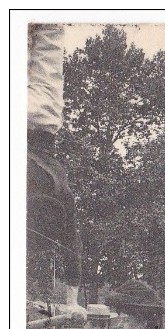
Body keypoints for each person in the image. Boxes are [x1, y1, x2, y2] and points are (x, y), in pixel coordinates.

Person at [28, 24, 84, 312]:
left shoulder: (60, 188)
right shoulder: (60, 194)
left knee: (48, 44)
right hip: (33, 126)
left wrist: (72, 300)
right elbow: (72, 248)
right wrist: (71, 302)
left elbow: (72, 246)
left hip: (43, 122)